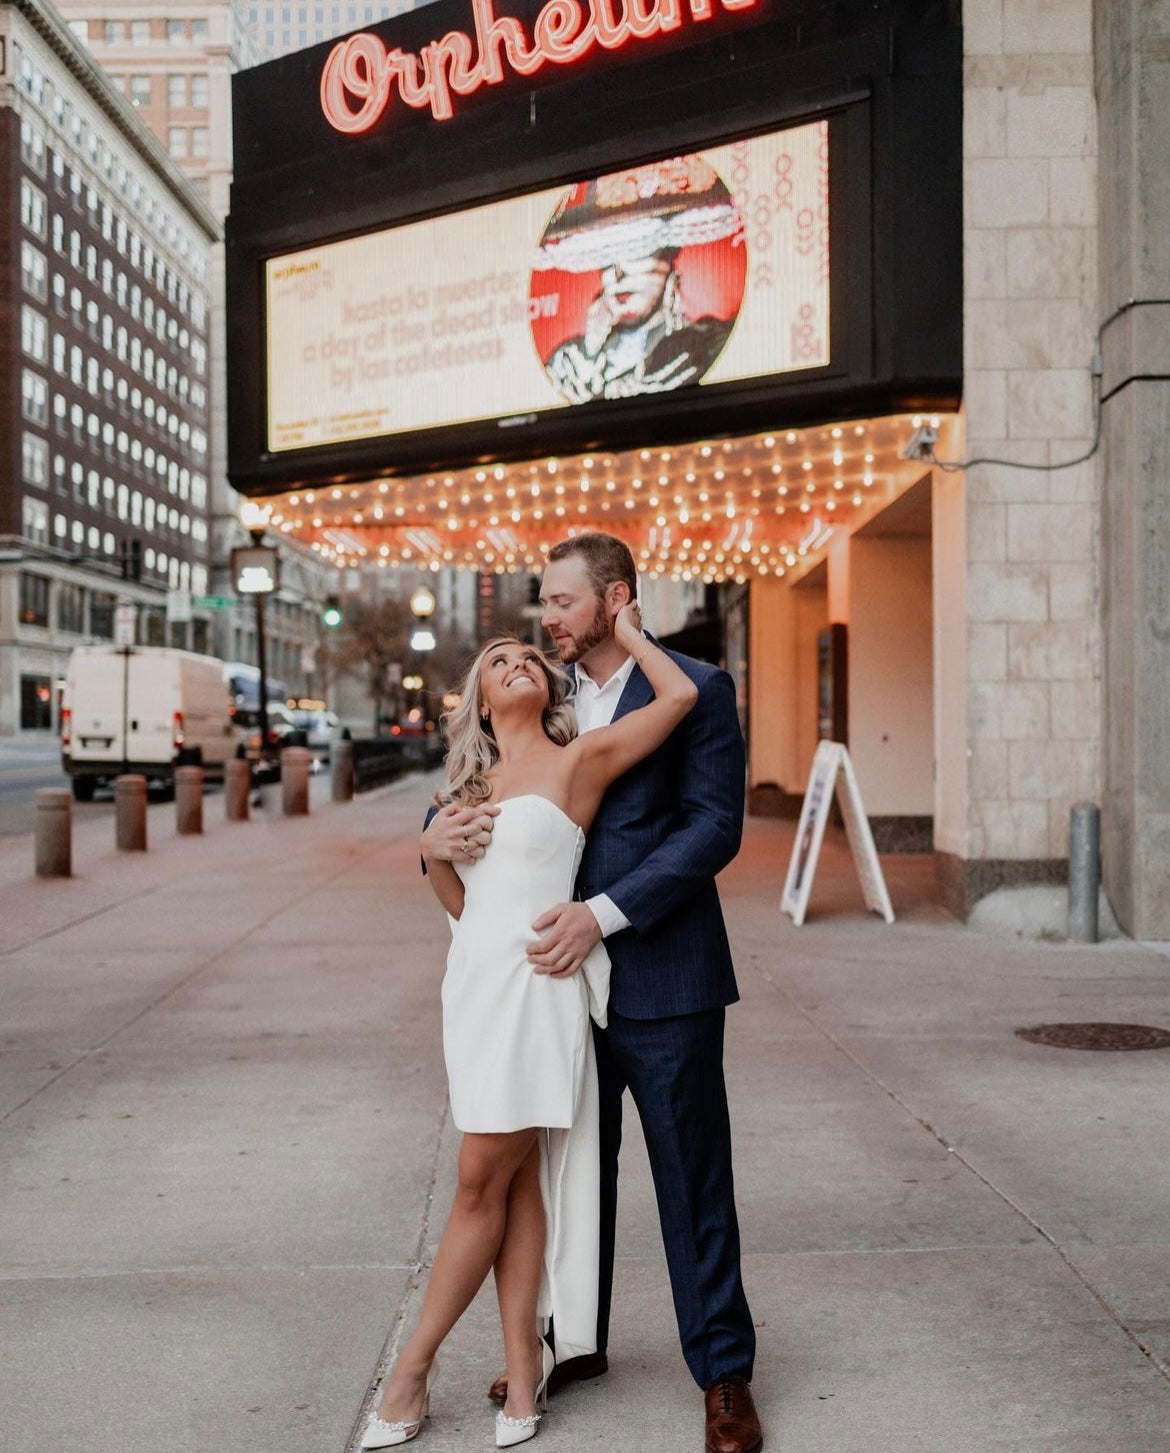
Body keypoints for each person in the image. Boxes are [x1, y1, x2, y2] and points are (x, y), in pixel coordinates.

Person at [442, 533, 764, 1453]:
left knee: (691, 1174)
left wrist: (606, 913)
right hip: (555, 987)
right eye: (544, 603)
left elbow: (713, 829)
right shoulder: (547, 701)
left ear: (616, 599)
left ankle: (724, 1372)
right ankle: (567, 1341)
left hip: (665, 972)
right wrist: (435, 840)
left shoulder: (699, 687)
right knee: (564, 1171)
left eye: (561, 601)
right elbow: (491, 793)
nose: (546, 619)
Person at [361, 603, 698, 1449]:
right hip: (474, 988)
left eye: (528, 655)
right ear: (479, 701)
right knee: (512, 1187)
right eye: (499, 658)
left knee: (479, 1184)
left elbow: (682, 696)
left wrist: (623, 628)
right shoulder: (457, 794)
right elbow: (461, 907)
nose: (518, 659)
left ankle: (411, 1373)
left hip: (541, 989)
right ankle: (523, 1377)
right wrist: (433, 848)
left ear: (545, 686)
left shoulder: (578, 760)